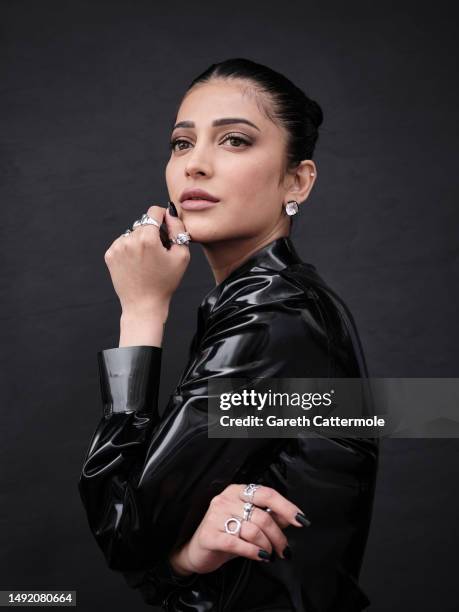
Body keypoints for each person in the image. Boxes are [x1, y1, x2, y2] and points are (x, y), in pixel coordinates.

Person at [78, 58, 379, 611]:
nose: (195, 166)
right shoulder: (263, 303)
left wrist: (141, 311)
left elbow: (123, 528)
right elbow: (150, 554)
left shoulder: (275, 315)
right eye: (181, 144)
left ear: (297, 180)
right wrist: (183, 559)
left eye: (235, 141)